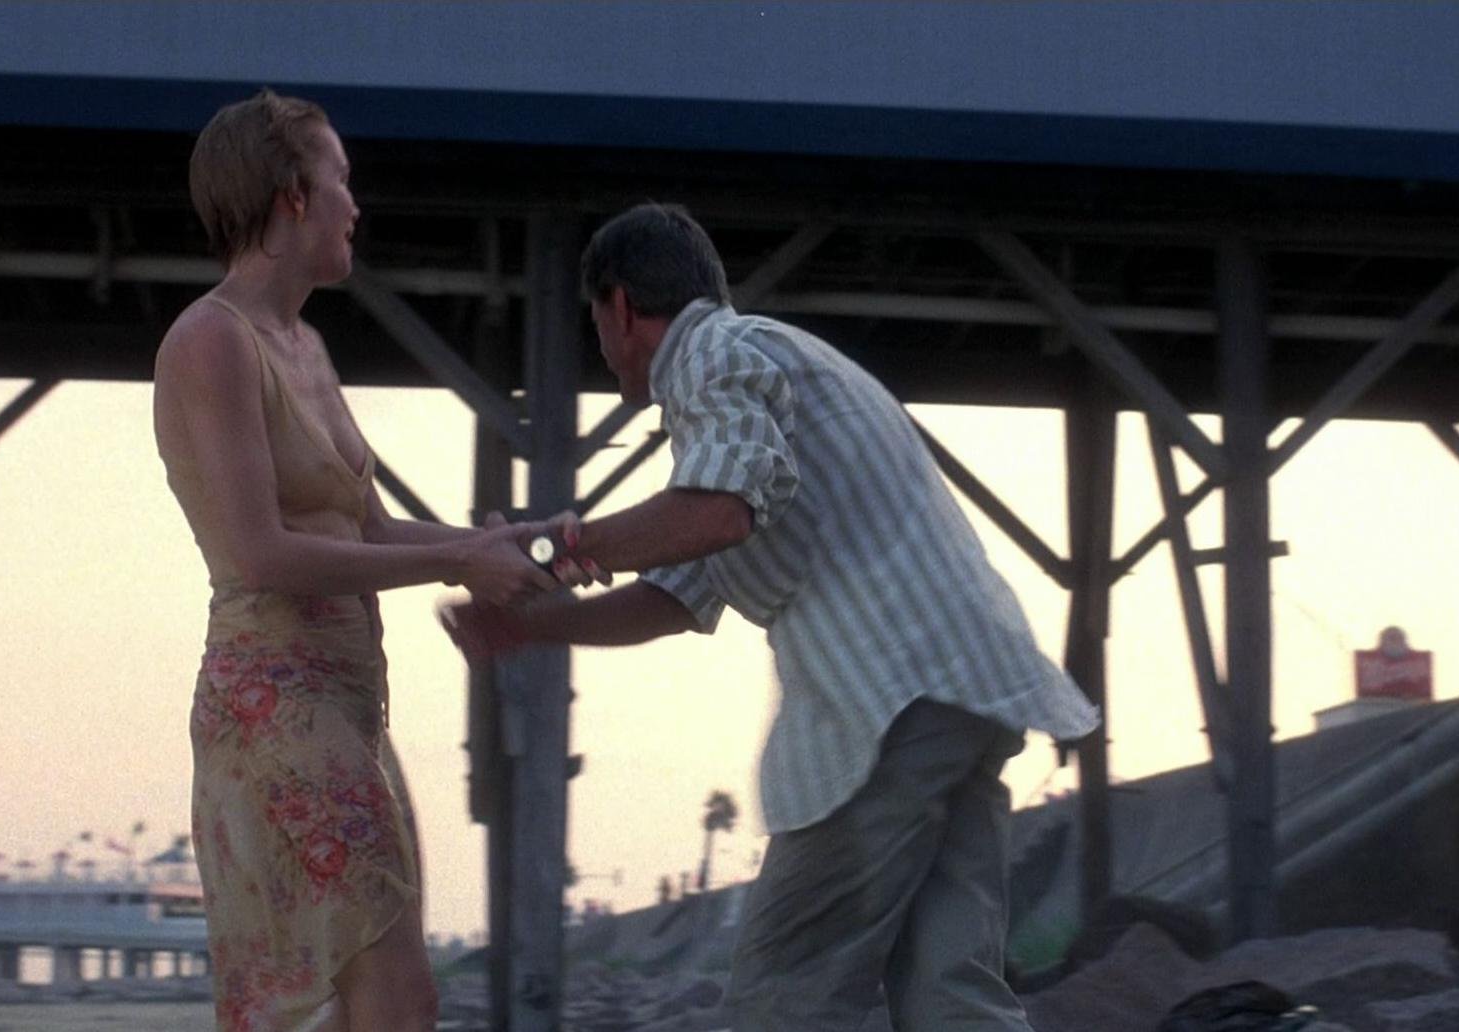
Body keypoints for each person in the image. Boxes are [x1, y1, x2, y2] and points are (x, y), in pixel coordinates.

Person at [443, 203, 1100, 1030]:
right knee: (953, 996)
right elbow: (675, 594)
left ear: (621, 307)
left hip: (887, 703)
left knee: (783, 995)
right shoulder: (769, 373)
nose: (600, 345)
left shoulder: (710, 355)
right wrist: (531, 624)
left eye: (596, 321)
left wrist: (549, 550)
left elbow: (716, 514)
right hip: (965, 696)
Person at [154, 89, 590, 1032]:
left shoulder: (305, 345)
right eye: (341, 179)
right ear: (292, 195)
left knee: (376, 996)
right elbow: (260, 554)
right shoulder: (211, 341)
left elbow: (369, 529)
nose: (355, 204)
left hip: (351, 702)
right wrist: (459, 562)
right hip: (272, 701)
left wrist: (502, 543)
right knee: (396, 992)